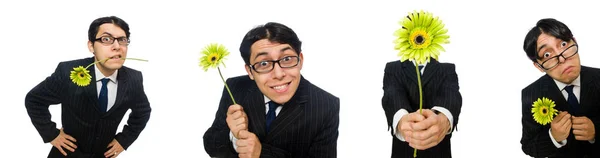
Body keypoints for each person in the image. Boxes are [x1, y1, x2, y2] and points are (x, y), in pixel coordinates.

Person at [203, 22, 340, 158]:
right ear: (250, 71)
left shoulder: (326, 105)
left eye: (287, 59)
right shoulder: (235, 87)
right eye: (264, 63)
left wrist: (260, 153)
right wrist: (233, 137)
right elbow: (211, 144)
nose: (279, 74)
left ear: (300, 60)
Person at [25, 16, 151, 158]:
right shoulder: (68, 71)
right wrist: (51, 134)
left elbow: (143, 112)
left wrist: (124, 140)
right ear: (91, 46)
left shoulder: (133, 79)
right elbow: (34, 100)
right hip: (66, 154)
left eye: (122, 40)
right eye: (106, 39)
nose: (117, 46)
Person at [520, 18, 599, 158]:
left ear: (574, 41)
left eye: (563, 44)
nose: (562, 59)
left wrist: (596, 131)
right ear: (539, 66)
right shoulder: (530, 94)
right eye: (547, 55)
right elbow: (529, 146)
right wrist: (554, 137)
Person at [381, 52, 462, 157]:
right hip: (403, 152)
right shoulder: (393, 68)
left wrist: (444, 117)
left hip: (439, 152)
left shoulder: (447, 69)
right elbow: (392, 94)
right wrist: (401, 119)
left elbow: (452, 94)